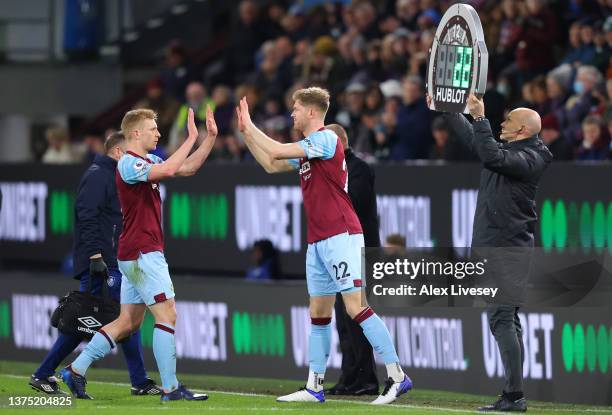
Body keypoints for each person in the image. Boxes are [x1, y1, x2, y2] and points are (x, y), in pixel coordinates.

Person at [236, 87, 412, 405]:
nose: (292, 114)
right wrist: (246, 135)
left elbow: (275, 150)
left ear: (313, 112)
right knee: (318, 313)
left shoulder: (326, 140)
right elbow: (271, 164)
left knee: (356, 307)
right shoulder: (308, 151)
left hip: (341, 235)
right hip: (317, 241)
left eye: (296, 108)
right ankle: (315, 385)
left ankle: (397, 377)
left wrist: (251, 126)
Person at [60, 107, 218, 401]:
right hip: (143, 252)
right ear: (135, 133)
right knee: (167, 315)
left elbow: (187, 168)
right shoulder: (128, 164)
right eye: (153, 128)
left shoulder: (147, 161)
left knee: (128, 323)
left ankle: (76, 370)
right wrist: (191, 137)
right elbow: (171, 169)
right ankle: (170, 388)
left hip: (134, 253)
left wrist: (209, 139)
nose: (158, 133)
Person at [432, 94, 552, 412]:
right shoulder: (514, 149)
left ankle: (514, 396)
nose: (502, 123)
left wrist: (481, 118)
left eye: (508, 121)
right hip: (496, 246)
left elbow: (490, 156)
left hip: (507, 249)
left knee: (502, 318)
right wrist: (450, 111)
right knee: (506, 319)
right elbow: (477, 142)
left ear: (523, 130)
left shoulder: (532, 158)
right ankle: (514, 394)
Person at [30, 133, 161, 396]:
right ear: (117, 152)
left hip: (112, 259)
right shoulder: (98, 175)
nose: (137, 158)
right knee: (87, 320)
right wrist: (95, 258)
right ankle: (44, 373)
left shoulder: (111, 175)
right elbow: (86, 216)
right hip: (100, 263)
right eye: (132, 152)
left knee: (126, 319)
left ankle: (139, 380)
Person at [324, 123, 379, 397]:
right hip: (340, 251)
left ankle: (367, 379)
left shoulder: (359, 168)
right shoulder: (333, 169)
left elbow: (354, 202)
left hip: (359, 251)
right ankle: (349, 377)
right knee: (343, 319)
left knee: (357, 317)